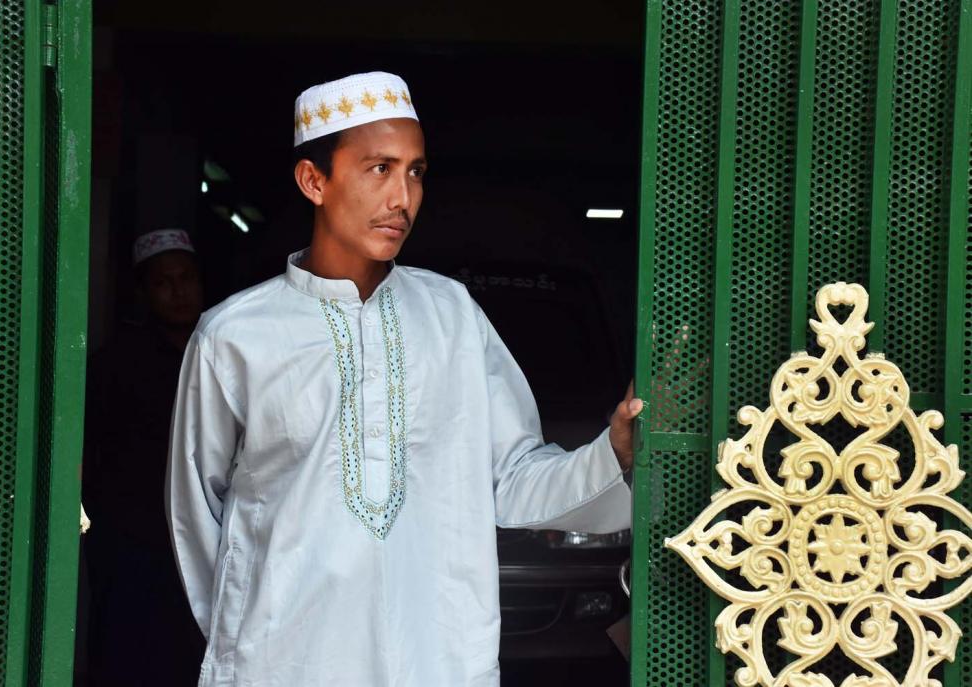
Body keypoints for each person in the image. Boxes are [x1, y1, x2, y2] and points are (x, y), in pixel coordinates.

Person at [165, 72, 643, 686]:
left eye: (415, 172)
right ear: (315, 181)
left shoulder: (453, 317)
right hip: (283, 663)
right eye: (379, 169)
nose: (403, 198)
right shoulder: (234, 336)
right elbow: (197, 517)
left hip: (434, 658)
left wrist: (611, 455)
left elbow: (514, 477)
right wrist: (248, 643)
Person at [83, 229, 206, 686]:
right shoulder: (116, 364)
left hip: (204, 538)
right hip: (134, 543)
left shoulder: (222, 350)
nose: (178, 291)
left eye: (187, 278)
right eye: (163, 282)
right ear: (142, 293)